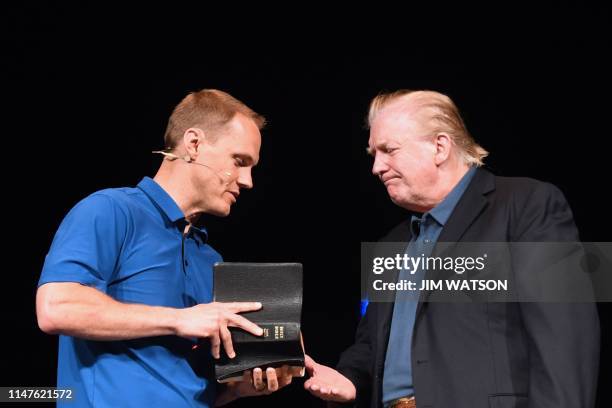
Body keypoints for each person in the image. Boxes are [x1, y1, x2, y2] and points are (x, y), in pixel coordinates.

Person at [304, 90, 600, 407]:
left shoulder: (528, 205)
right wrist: (349, 377)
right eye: (373, 154)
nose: (377, 167)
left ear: (440, 147)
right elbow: (371, 344)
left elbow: (565, 338)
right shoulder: (389, 245)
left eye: (389, 150)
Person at [36, 89, 299, 407]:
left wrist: (237, 389)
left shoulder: (210, 259)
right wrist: (179, 318)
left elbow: (192, 387)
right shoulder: (111, 211)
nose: (248, 181)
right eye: (239, 161)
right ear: (194, 144)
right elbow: (56, 308)